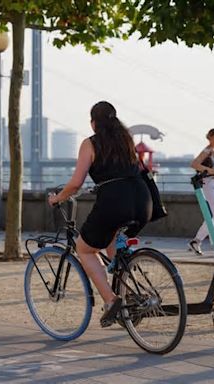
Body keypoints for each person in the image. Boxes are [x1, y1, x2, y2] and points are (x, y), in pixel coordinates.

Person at [48, 101, 152, 327]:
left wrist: (57, 198)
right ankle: (128, 298)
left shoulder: (90, 143)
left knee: (84, 249)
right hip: (143, 202)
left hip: (115, 203)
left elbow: (75, 183)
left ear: (93, 122)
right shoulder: (126, 139)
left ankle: (112, 300)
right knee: (113, 241)